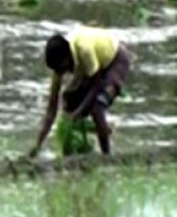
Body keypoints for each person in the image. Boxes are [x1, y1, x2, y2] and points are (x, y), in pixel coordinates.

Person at [28, 27, 132, 157]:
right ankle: (88, 141)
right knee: (69, 99)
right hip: (94, 69)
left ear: (68, 57)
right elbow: (52, 108)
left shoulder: (84, 49)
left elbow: (96, 85)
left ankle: (107, 155)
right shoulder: (59, 67)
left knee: (97, 106)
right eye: (59, 71)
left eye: (63, 68)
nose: (63, 73)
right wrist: (38, 144)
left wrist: (77, 113)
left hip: (114, 60)